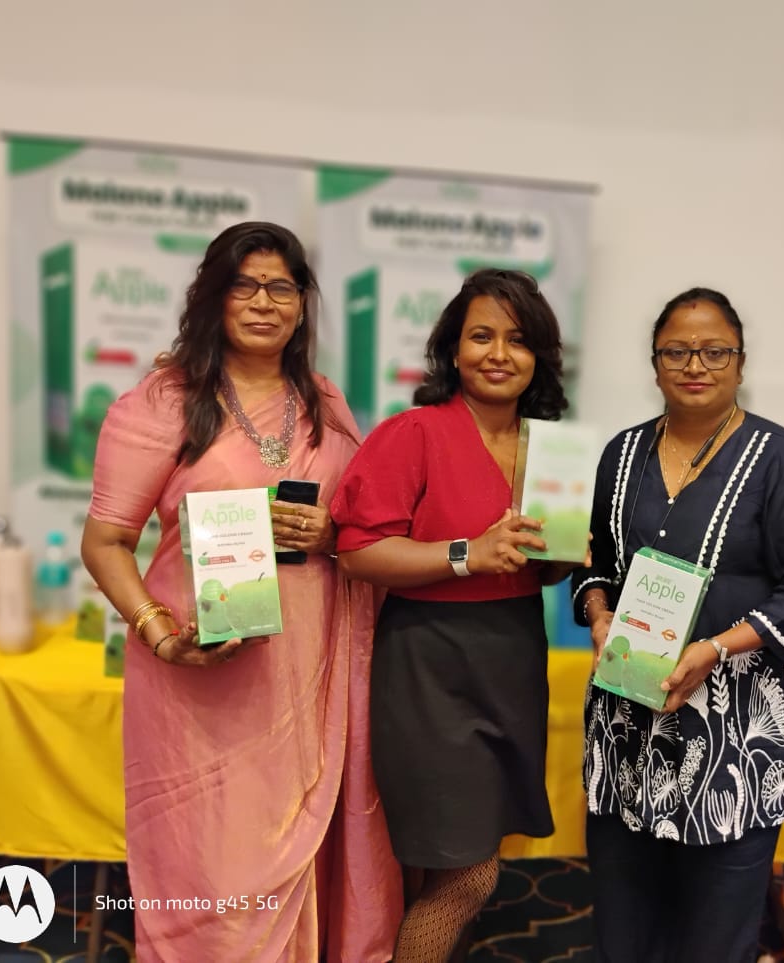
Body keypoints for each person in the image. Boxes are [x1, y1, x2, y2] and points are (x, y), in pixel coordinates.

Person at [80, 221, 403, 961]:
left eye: (282, 287)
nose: (265, 302)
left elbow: (355, 528)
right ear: (213, 297)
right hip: (203, 674)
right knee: (216, 865)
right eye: (245, 285)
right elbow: (105, 544)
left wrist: (329, 534)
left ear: (301, 302)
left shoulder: (324, 402)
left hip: (312, 669)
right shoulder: (165, 401)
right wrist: (160, 631)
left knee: (311, 849)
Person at [570, 287, 784, 963]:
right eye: (678, 350)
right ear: (655, 364)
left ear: (741, 362)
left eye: (715, 350)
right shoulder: (621, 454)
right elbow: (595, 562)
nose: (697, 363)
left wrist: (717, 647)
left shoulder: (782, 461)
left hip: (735, 738)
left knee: (715, 938)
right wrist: (601, 616)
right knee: (623, 928)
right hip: (628, 724)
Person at [332, 268, 574, 963]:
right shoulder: (414, 433)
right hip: (430, 664)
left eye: (518, 339)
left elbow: (537, 568)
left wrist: (561, 556)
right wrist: (466, 554)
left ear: (541, 356)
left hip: (514, 658)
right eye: (481, 336)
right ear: (452, 347)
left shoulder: (548, 447)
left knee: (455, 864)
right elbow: (357, 550)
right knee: (469, 871)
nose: (499, 353)